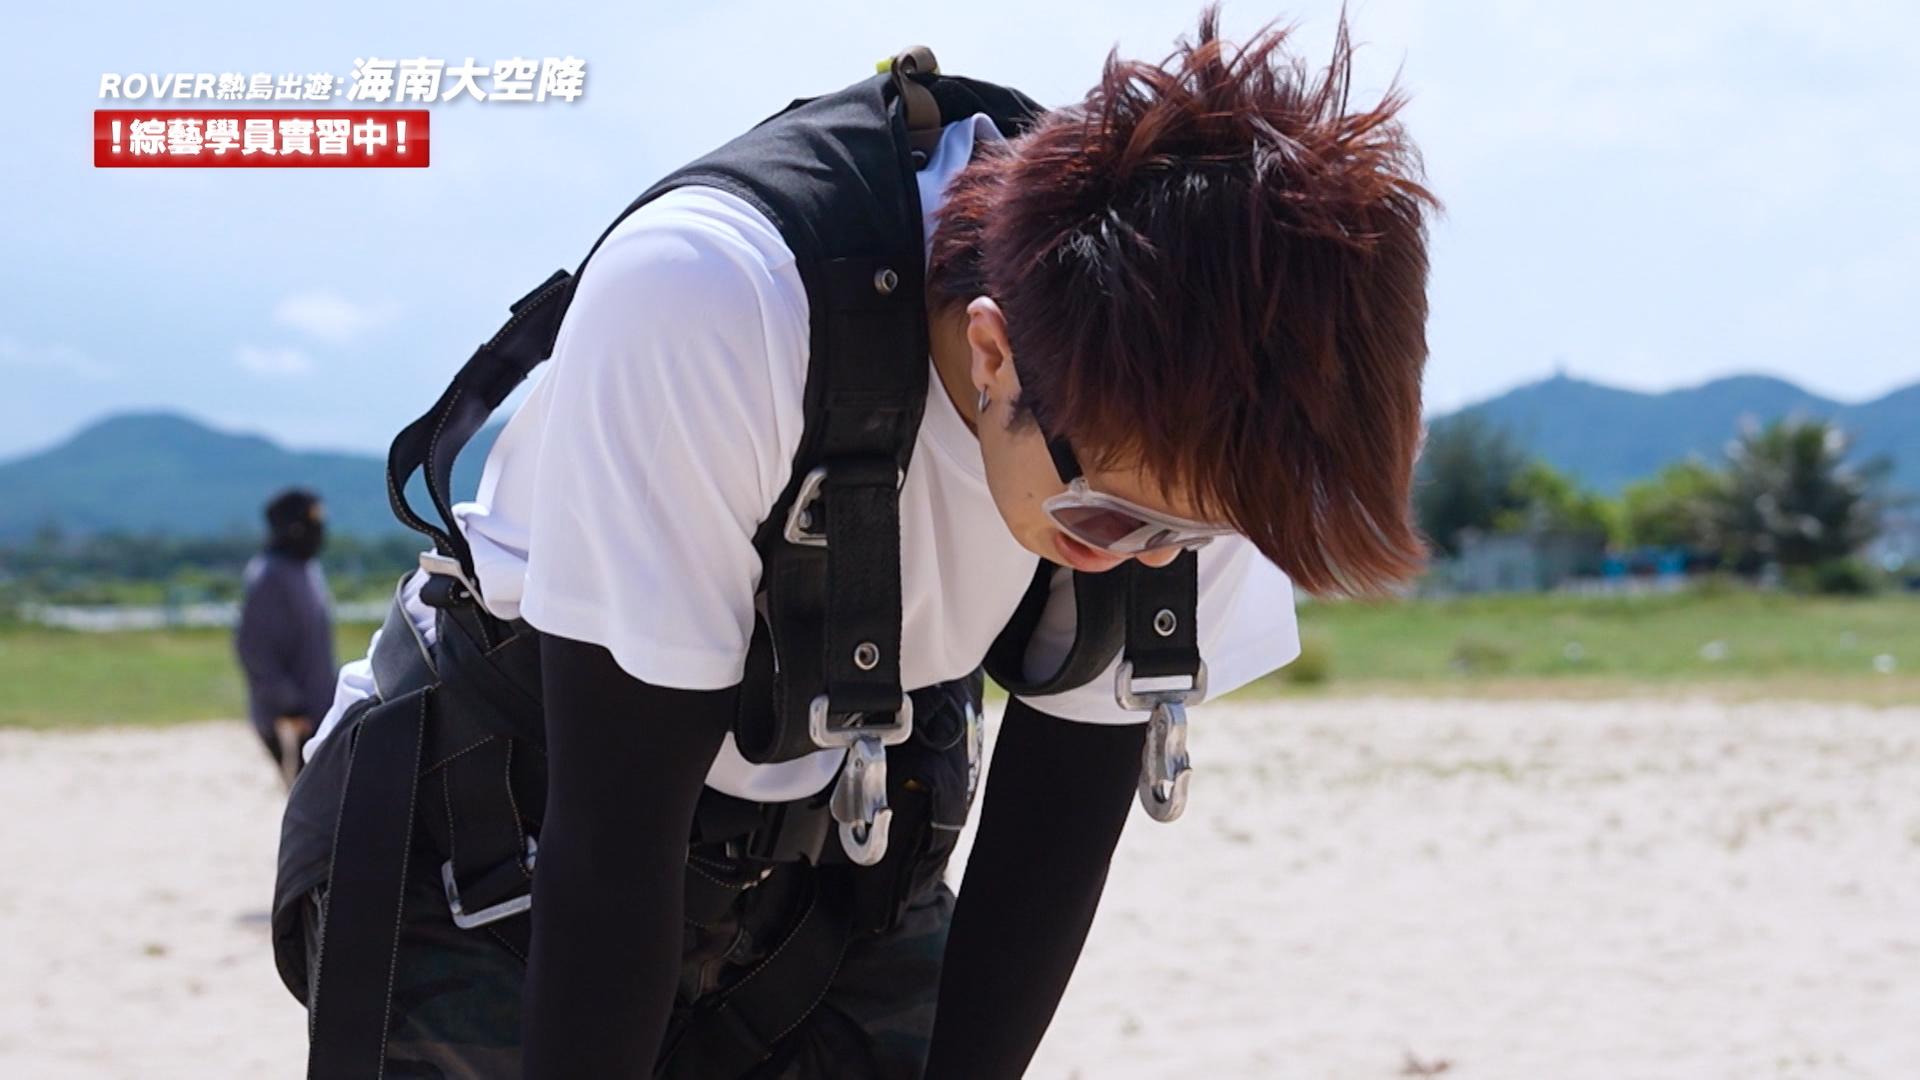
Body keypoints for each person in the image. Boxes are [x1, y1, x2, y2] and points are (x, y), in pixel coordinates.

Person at [278, 9, 1436, 1077]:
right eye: (1105, 519)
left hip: (838, 851)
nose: (1146, 559)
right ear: (994, 354)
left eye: (1191, 537)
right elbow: (613, 846)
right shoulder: (719, 299)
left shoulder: (1225, 428)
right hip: (517, 837)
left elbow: (1051, 839)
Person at [234, 487, 335, 787]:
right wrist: (287, 704)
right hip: (291, 716)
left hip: (318, 708)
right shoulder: (269, 576)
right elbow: (255, 648)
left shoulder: (307, 569)